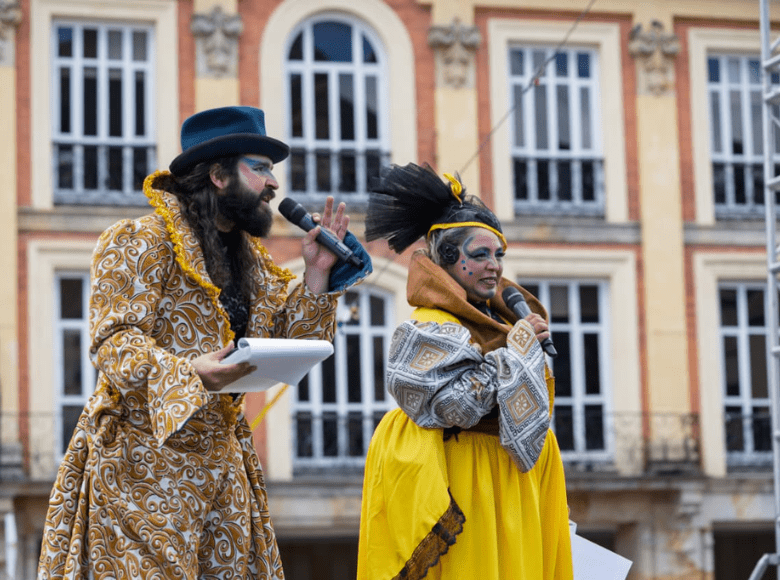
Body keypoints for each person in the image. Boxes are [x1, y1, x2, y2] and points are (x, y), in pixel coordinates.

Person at [37, 106, 371, 579]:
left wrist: (317, 274)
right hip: (139, 469)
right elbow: (113, 342)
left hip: (223, 471)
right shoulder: (140, 239)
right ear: (218, 175)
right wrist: (189, 372)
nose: (273, 184)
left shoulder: (252, 261)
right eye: (260, 168)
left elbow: (296, 339)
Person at [357, 163, 572, 580]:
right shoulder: (428, 325)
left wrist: (518, 344)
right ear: (448, 258)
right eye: (480, 255)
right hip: (465, 476)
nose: (494, 266)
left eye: (499, 255)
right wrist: (519, 349)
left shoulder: (503, 320)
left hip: (510, 481)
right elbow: (453, 406)